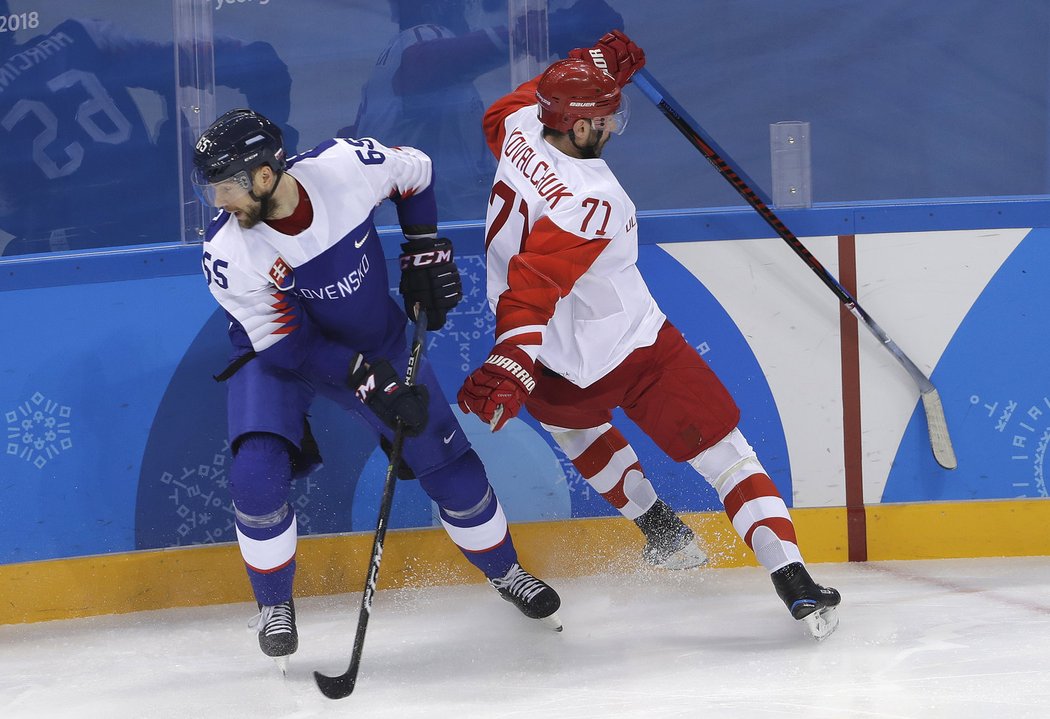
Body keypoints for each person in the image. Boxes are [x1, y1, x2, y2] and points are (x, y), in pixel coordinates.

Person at [457, 31, 842, 639]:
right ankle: (793, 579)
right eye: (606, 117)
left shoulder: (518, 128)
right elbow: (536, 280)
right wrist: (509, 361)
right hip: (634, 348)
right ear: (580, 129)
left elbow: (513, 105)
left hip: (551, 359)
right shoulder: (595, 199)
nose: (613, 125)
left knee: (575, 427)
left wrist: (593, 67)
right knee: (728, 456)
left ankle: (660, 529)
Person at [192, 108, 562, 665]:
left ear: (265, 174)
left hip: (376, 336)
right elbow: (291, 348)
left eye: (226, 186)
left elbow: (417, 173)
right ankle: (273, 605)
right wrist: (366, 380)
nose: (218, 202)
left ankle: (507, 572)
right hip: (276, 355)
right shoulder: (229, 252)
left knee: (452, 471)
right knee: (256, 475)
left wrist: (422, 247)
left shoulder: (344, 167)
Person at [0, 5, 296, 256]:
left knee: (19, 255)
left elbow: (11, 215)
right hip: (159, 216)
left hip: (74, 244)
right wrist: (273, 149)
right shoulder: (81, 36)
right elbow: (261, 64)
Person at [345, 0, 625, 224]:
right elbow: (424, 62)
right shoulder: (420, 36)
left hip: (431, 226)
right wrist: (534, 32)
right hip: (423, 231)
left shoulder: (424, 78)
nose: (473, 11)